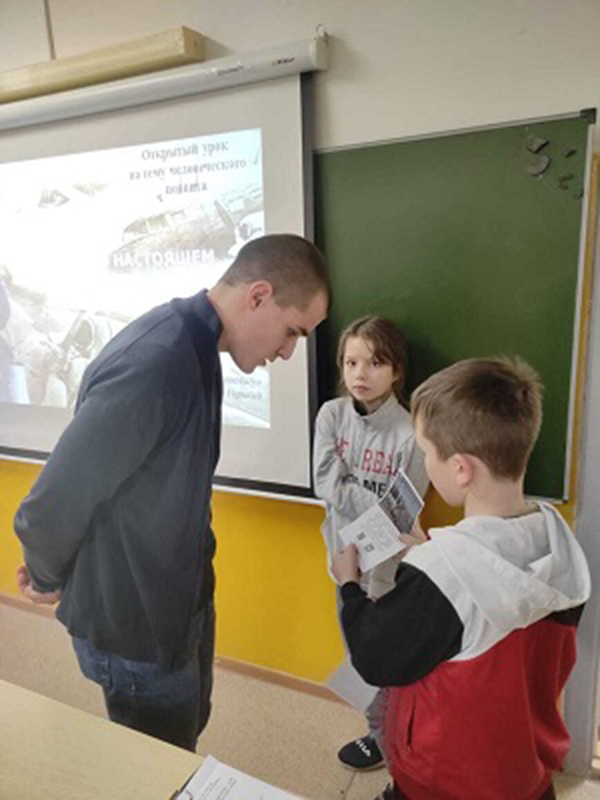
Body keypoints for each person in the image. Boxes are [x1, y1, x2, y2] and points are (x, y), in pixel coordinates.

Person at [14, 233, 329, 752]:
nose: (288, 351)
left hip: (178, 604)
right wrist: (45, 575)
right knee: (158, 769)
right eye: (293, 331)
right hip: (137, 625)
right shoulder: (157, 363)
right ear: (258, 296)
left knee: (185, 735)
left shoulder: (200, 346)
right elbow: (56, 499)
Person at [332, 357, 591, 800]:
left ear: (461, 469)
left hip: (443, 784)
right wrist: (430, 555)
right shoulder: (557, 543)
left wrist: (349, 586)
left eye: (427, 452)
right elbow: (490, 587)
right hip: (524, 775)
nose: (425, 463)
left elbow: (374, 657)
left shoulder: (439, 576)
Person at [313, 315, 428, 771]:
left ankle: (390, 743)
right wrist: (376, 504)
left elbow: (402, 514)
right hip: (343, 564)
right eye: (351, 362)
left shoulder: (412, 433)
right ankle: (379, 735)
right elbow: (325, 483)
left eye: (375, 362)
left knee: (387, 660)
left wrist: (354, 494)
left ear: (397, 370)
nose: (360, 373)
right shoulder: (331, 415)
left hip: (387, 573)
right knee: (358, 656)